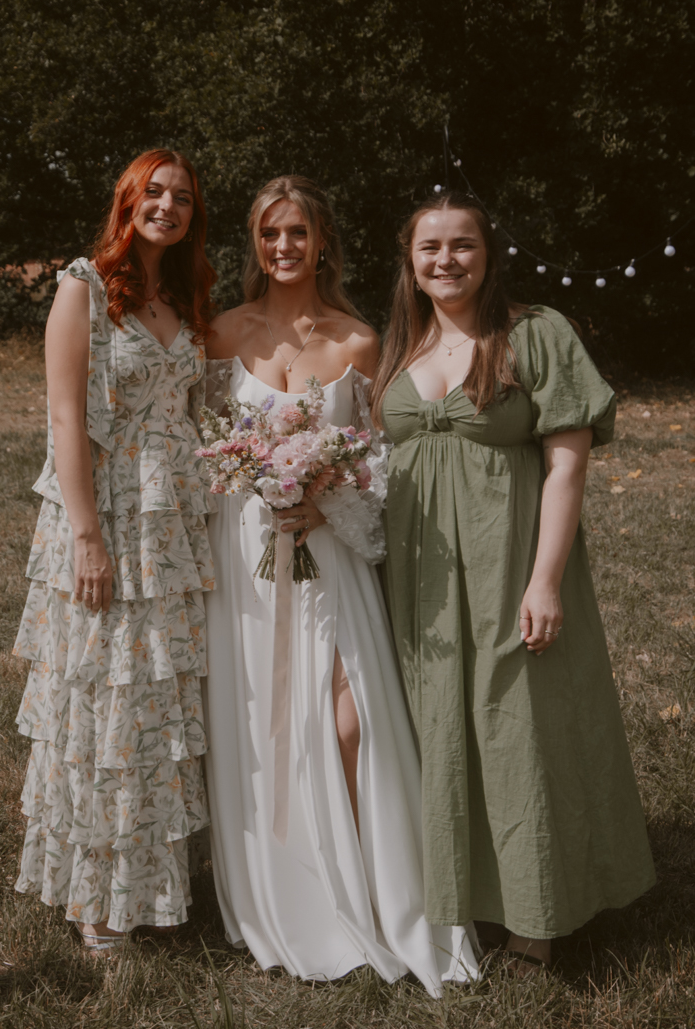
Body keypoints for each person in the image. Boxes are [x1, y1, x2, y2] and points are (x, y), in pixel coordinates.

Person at [203, 175, 478, 996]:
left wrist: (326, 502)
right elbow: (201, 446)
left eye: (298, 232)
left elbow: (381, 467)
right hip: (248, 558)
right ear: (255, 243)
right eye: (270, 233)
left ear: (323, 241)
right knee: (261, 726)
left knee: (350, 721)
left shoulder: (359, 340)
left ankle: (379, 894)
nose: (284, 246)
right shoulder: (223, 332)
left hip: (332, 549)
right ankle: (288, 896)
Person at [373, 190, 656, 972]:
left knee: (517, 725)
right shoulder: (400, 345)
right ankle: (471, 900)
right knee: (442, 723)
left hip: (509, 560)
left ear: (489, 254)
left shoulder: (535, 333)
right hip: (421, 576)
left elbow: (567, 466)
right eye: (430, 247)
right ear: (410, 262)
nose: (447, 259)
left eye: (463, 244)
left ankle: (537, 918)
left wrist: (545, 580)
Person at [13, 149, 217, 952]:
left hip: (172, 523)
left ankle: (147, 888)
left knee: (156, 703)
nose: (168, 206)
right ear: (127, 201)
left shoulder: (183, 296)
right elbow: (65, 417)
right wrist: (87, 538)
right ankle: (96, 902)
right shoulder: (85, 288)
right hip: (107, 514)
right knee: (104, 703)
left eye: (183, 197)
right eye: (153, 192)